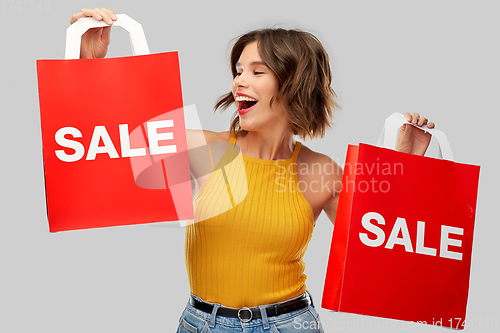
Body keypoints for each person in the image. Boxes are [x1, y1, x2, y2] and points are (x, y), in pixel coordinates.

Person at [70, 8, 436, 332]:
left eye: (257, 71)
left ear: (295, 84)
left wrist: (407, 163)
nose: (238, 81)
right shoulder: (208, 149)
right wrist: (88, 66)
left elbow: (381, 258)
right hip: (202, 324)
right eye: (239, 70)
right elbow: (105, 147)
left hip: (290, 324)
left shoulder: (321, 171)